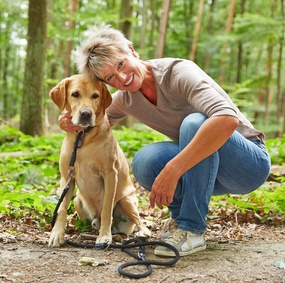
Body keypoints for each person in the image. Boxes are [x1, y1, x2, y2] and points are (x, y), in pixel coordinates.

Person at [58, 25, 271, 257]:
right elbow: (93, 121)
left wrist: (174, 169)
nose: (121, 77)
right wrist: (67, 123)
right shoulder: (125, 99)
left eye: (121, 64)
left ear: (131, 50)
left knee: (194, 123)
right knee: (145, 161)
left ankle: (192, 229)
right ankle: (179, 221)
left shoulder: (178, 72)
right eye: (110, 77)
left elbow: (227, 119)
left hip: (248, 164)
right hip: (209, 168)